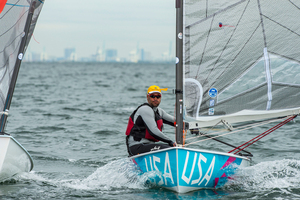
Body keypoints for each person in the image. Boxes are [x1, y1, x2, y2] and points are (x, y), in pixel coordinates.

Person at [125, 85, 176, 156]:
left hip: (148, 146)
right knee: (171, 149)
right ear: (147, 97)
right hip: (137, 147)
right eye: (152, 96)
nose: (155, 98)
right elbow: (153, 131)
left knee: (173, 148)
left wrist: (190, 126)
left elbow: (176, 122)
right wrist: (170, 141)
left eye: (158, 96)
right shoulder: (145, 109)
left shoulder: (159, 111)